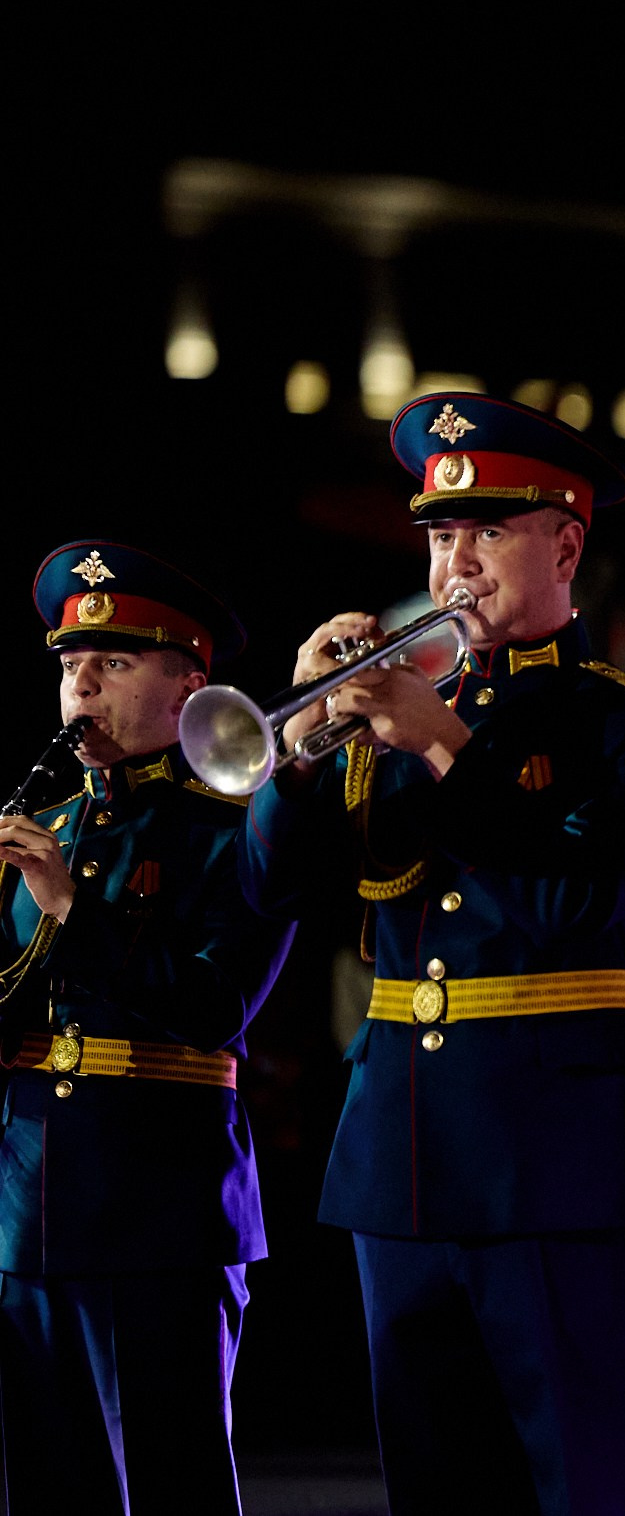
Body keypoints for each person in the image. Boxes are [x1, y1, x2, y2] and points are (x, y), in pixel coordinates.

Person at [240, 395, 625, 1515]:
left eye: (487, 533)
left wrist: (448, 746)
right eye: (440, 536)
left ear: (565, 542)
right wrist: (299, 760)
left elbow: (577, 897)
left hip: (566, 1159)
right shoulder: (397, 715)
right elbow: (273, 891)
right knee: (436, 1487)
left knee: (586, 1483)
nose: (455, 562)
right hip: (403, 1157)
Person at [0, 541, 293, 1512]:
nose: (81, 683)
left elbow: (215, 1010)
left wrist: (73, 914)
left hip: (159, 1208)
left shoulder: (237, 828)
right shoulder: (42, 822)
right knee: (48, 1483)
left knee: (172, 1484)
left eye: (114, 664)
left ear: (188, 688)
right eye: (70, 667)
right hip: (27, 1209)